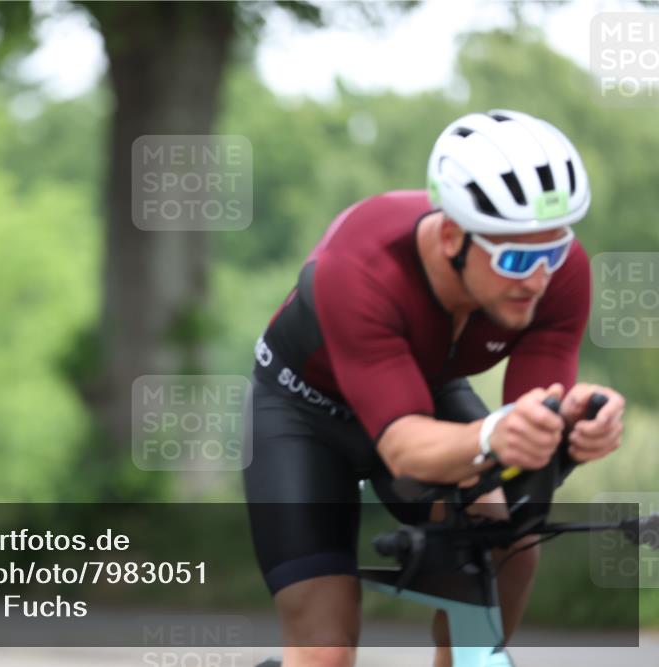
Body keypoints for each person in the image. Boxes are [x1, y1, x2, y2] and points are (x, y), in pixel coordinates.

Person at [243, 109, 626, 667]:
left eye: (552, 252)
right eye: (516, 258)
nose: (538, 280)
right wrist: (497, 435)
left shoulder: (559, 274)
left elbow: (530, 420)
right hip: (303, 414)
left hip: (423, 393)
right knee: (324, 647)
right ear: (452, 236)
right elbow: (402, 449)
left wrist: (570, 427)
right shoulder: (360, 265)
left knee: (507, 540)